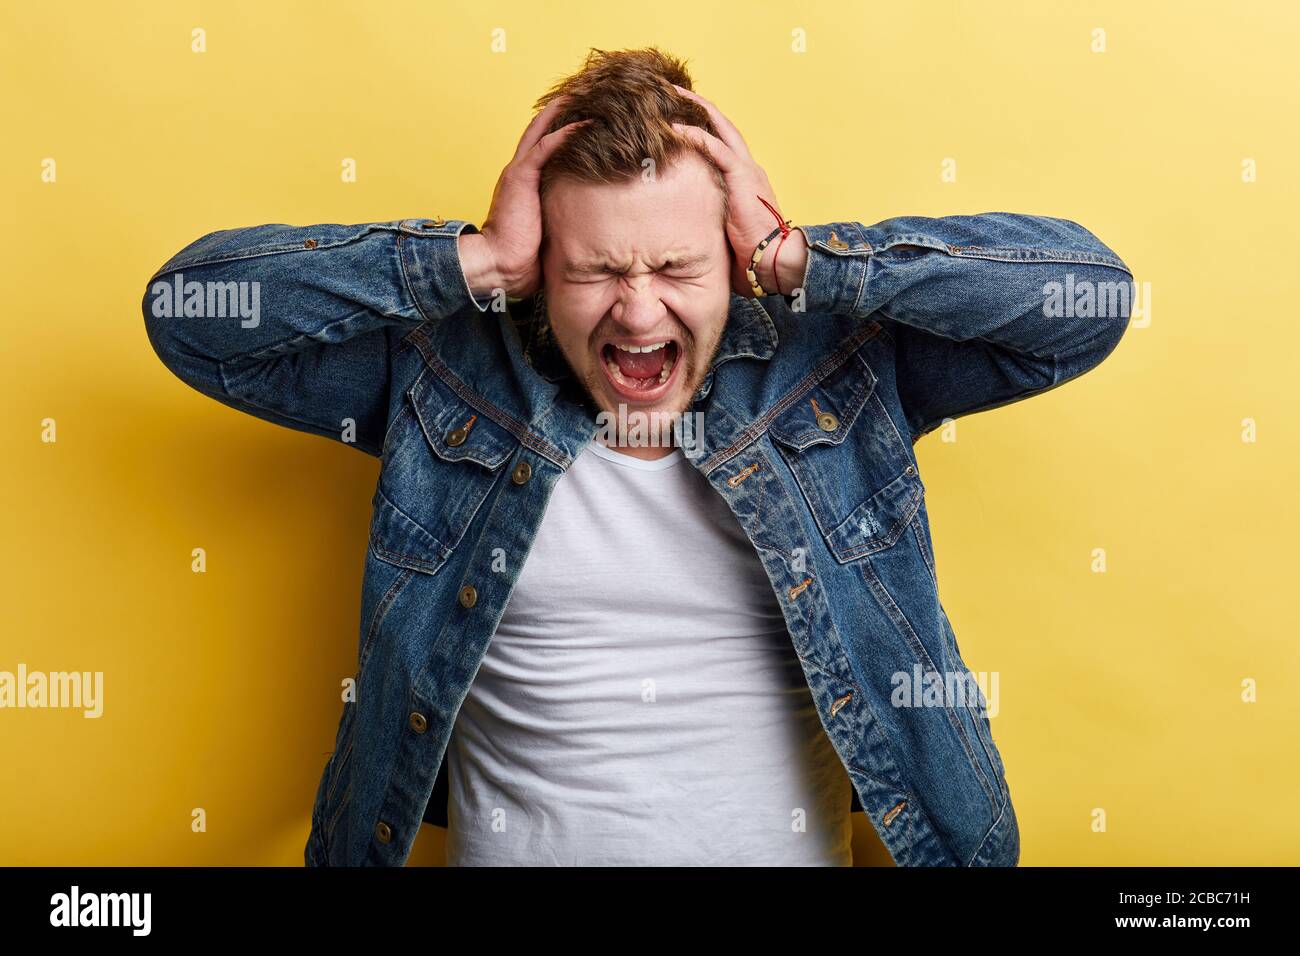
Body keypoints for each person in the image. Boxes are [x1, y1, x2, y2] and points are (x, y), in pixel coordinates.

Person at [142, 46, 1133, 866]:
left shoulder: (833, 368)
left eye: (675, 266)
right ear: (541, 272)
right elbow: (188, 316)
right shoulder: (442, 377)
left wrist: (807, 259)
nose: (637, 307)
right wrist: (469, 261)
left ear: (733, 264)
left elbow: (1084, 300)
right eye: (595, 270)